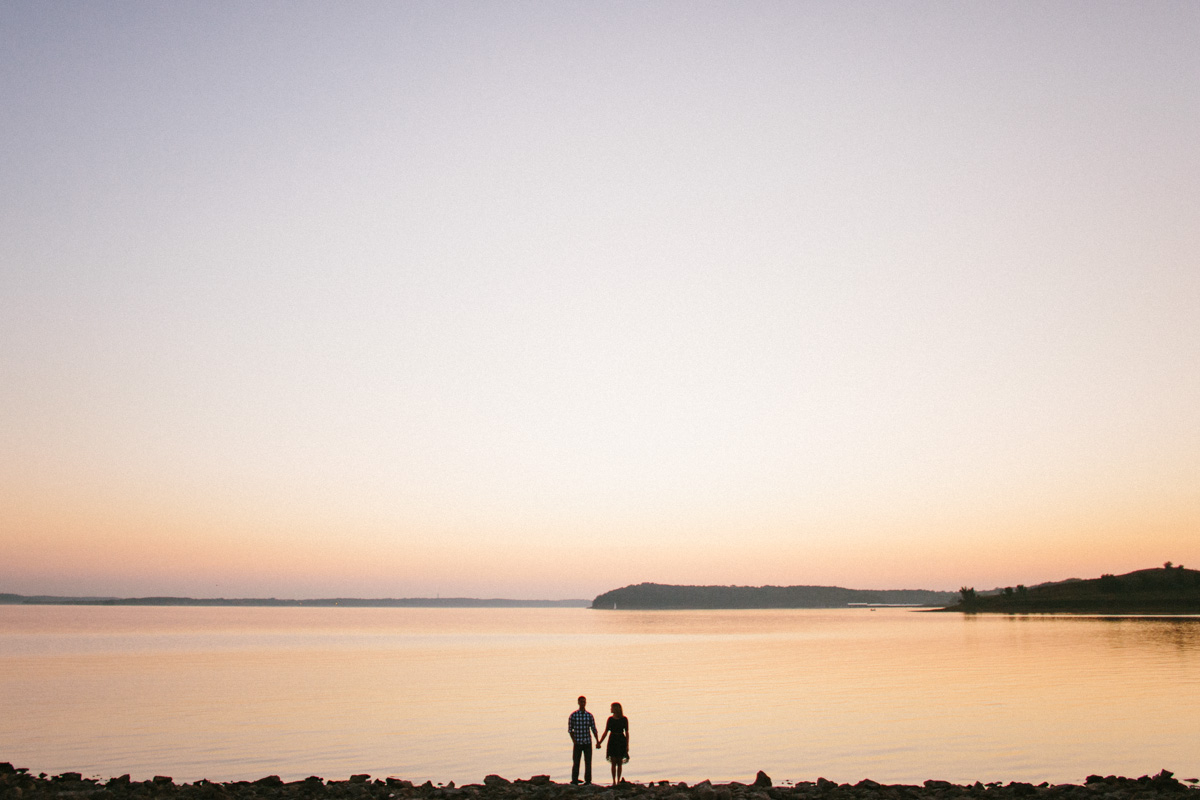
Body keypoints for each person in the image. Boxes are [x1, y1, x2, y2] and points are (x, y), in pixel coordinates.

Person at [567, 695, 599, 784]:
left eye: (584, 702)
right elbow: (570, 730)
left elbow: (593, 729)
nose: (583, 703)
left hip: (587, 742)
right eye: (581, 702)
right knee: (576, 762)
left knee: (588, 762)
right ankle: (574, 779)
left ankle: (588, 780)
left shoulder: (589, 716)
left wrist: (597, 741)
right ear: (578, 703)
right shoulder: (573, 715)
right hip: (578, 742)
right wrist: (574, 740)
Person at [596, 701, 629, 785]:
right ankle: (614, 781)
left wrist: (627, 744)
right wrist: (600, 742)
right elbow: (606, 732)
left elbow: (627, 732)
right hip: (613, 740)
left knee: (619, 762)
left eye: (612, 707)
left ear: (616, 709)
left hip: (621, 739)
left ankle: (618, 780)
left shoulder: (624, 719)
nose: (610, 709)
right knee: (613, 762)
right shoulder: (610, 719)